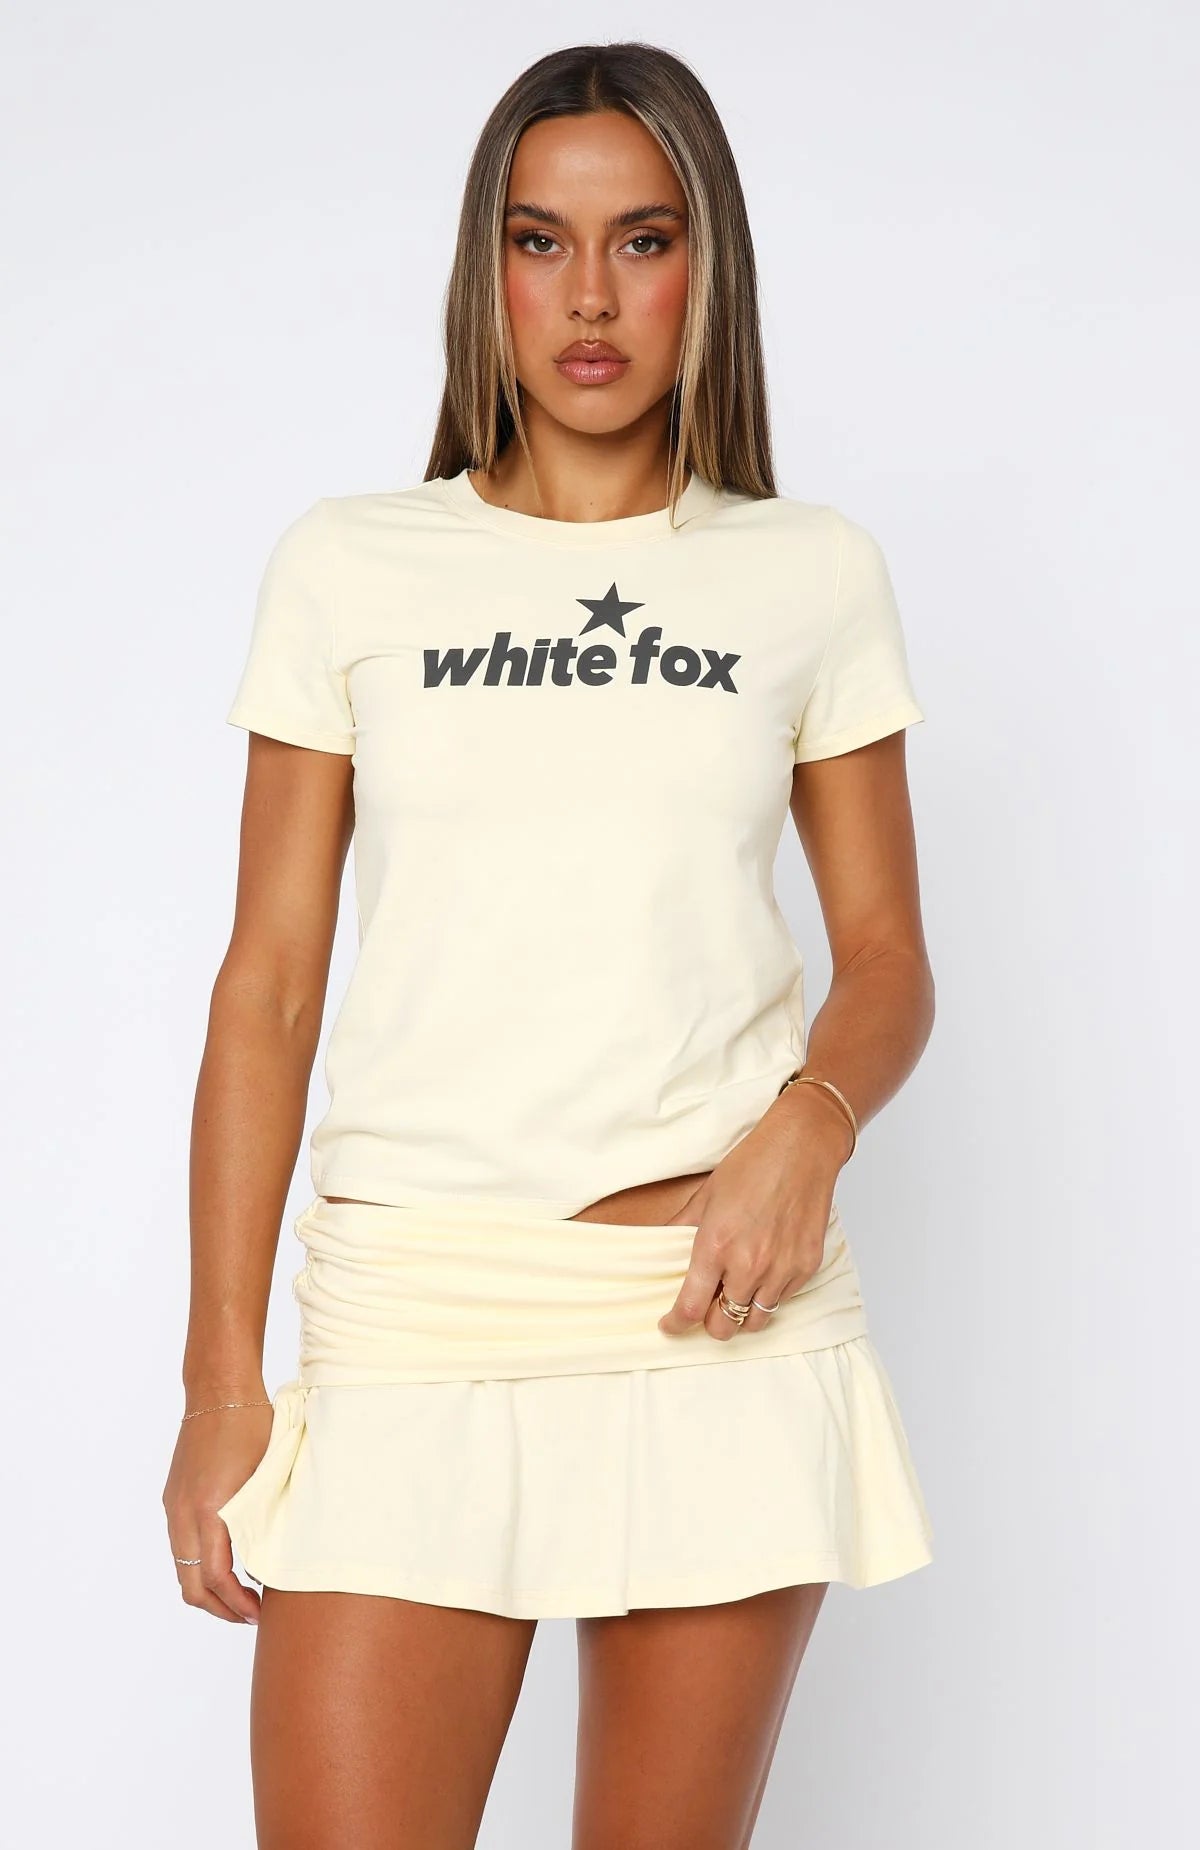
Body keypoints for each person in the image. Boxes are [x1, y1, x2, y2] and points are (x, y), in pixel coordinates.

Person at [162, 39, 936, 1850]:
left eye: (642, 239)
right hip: (416, 1312)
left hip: (714, 1320)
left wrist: (809, 1125)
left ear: (705, 267)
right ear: (486, 269)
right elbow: (267, 990)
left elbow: (890, 954)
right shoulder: (351, 564)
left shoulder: (809, 571)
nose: (590, 295)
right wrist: (219, 1381)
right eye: (541, 240)